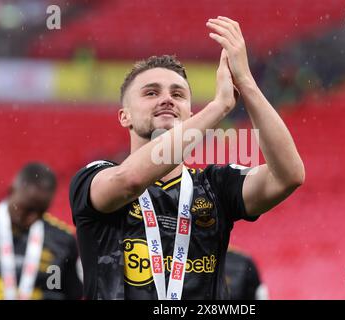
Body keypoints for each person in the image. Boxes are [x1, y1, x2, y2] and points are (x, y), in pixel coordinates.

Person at [70, 16, 305, 300]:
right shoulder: (94, 177)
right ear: (125, 116)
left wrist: (246, 83)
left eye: (178, 94)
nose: (167, 99)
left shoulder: (214, 184)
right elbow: (130, 180)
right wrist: (219, 107)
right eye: (151, 92)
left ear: (190, 115)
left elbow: (288, 176)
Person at [0, 163, 82, 300]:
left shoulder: (62, 242)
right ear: (11, 190)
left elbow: (66, 292)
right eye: (27, 209)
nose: (32, 218)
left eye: (41, 211)